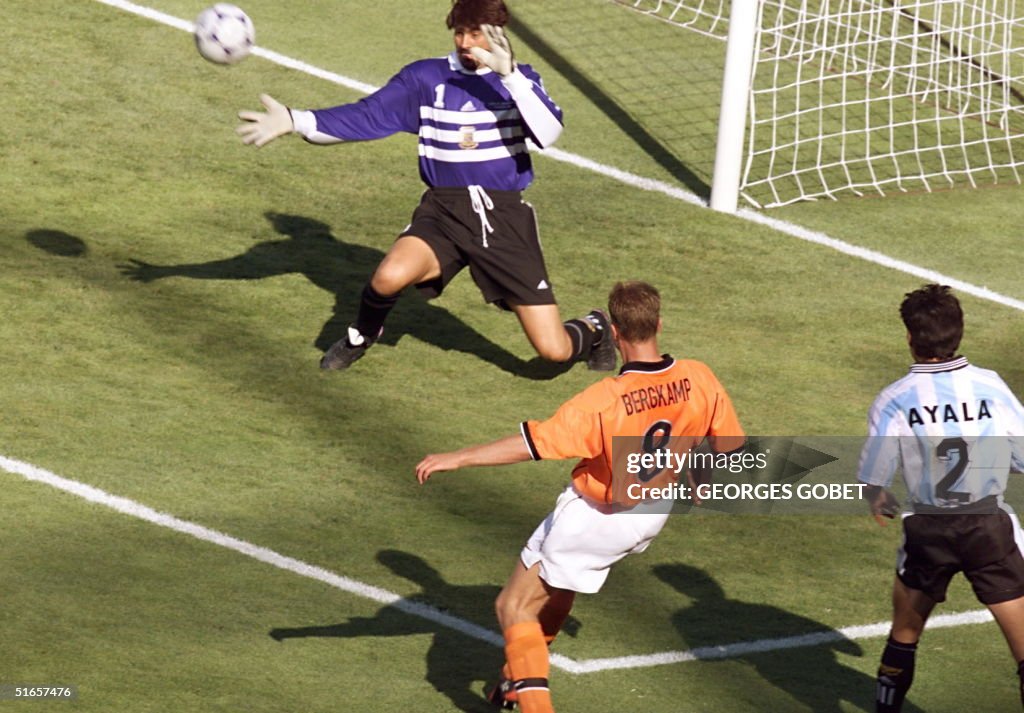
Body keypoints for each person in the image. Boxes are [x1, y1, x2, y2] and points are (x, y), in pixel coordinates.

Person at [415, 281, 745, 712]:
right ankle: (512, 683)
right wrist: (700, 479)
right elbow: (730, 448)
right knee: (556, 586)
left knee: (512, 606)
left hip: (596, 515)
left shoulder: (606, 400)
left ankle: (530, 700)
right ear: (659, 324)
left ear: (612, 330)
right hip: (652, 513)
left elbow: (532, 443)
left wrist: (458, 457)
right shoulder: (698, 377)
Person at [236, 0, 615, 373]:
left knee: (553, 350)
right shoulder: (424, 78)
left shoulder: (521, 80)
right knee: (387, 276)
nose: (466, 43)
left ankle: (597, 326)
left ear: (497, 33)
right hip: (444, 211)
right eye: (460, 32)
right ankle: (360, 336)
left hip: (502, 219)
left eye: (476, 33)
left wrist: (510, 75)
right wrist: (295, 120)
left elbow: (549, 133)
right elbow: (367, 115)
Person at [857, 284, 1024, 712]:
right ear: (959, 333)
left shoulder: (894, 399)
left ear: (910, 337)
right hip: (988, 528)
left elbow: (873, 481)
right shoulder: (990, 385)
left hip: (928, 530)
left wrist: (880, 499)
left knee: (904, 636)